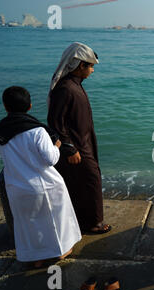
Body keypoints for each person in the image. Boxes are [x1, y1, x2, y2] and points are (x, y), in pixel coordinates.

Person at [0, 86, 81, 268]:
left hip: (16, 185)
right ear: (30, 106)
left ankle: (35, 258)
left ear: (5, 107)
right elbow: (50, 160)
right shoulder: (37, 131)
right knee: (55, 220)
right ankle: (60, 252)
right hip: (44, 184)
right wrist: (56, 145)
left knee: (28, 224)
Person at [47, 42, 111, 234]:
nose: (92, 70)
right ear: (80, 65)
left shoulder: (74, 85)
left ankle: (81, 219)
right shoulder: (66, 88)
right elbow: (55, 122)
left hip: (84, 142)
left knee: (81, 181)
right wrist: (69, 148)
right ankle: (92, 223)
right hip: (76, 145)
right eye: (90, 66)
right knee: (91, 179)